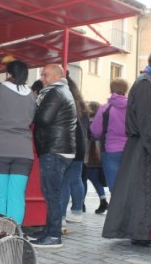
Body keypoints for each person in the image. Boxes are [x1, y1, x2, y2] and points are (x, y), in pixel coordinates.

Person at [102, 48, 151, 246]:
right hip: (145, 145)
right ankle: (141, 234)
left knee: (142, 189)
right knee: (144, 189)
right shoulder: (146, 85)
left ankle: (142, 232)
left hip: (144, 144)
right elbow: (146, 119)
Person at [0, 60, 36, 224]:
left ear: (8, 74)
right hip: (24, 152)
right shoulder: (32, 95)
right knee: (17, 196)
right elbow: (31, 119)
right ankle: (14, 233)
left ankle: (2, 235)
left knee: (1, 197)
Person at [30, 64, 77, 248]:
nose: (42, 78)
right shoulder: (62, 90)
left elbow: (43, 119)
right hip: (59, 147)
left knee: (52, 194)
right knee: (51, 193)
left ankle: (54, 235)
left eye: (45, 74)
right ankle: (49, 230)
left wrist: (34, 106)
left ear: (57, 75)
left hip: (55, 148)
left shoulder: (55, 92)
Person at [90, 78, 129, 192]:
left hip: (110, 150)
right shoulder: (132, 107)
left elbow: (95, 131)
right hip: (129, 150)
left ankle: (116, 208)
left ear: (111, 89)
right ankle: (126, 208)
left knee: (114, 186)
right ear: (126, 90)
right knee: (127, 184)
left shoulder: (105, 109)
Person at [62, 74, 88, 224]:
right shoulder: (81, 104)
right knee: (76, 178)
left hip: (67, 143)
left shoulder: (63, 99)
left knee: (64, 180)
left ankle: (62, 216)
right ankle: (77, 211)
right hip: (80, 144)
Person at [84, 101, 108, 214]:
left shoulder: (88, 122)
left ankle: (80, 203)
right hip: (98, 155)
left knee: (85, 178)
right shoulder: (102, 121)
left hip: (88, 155)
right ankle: (102, 199)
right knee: (95, 179)